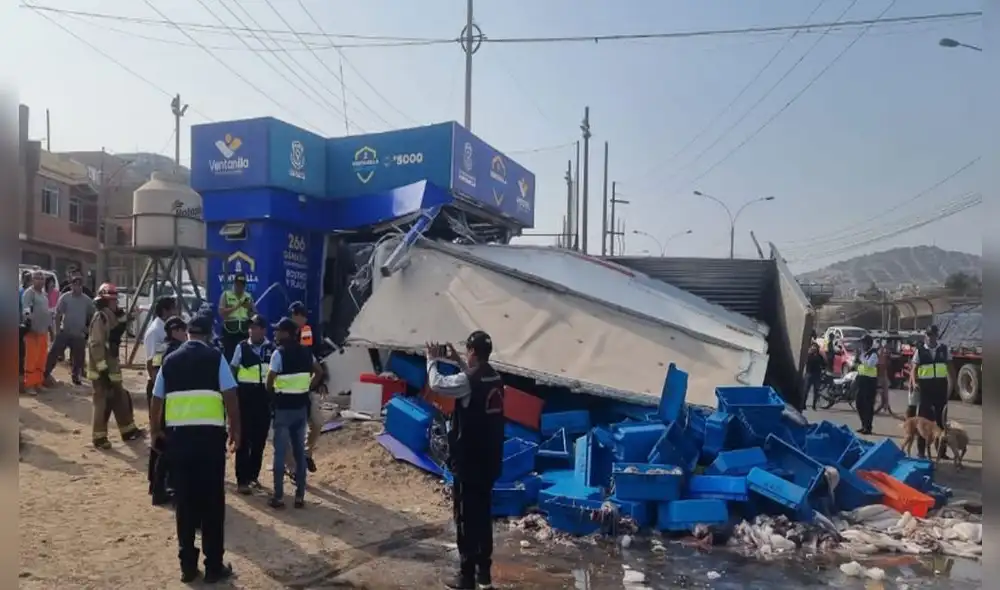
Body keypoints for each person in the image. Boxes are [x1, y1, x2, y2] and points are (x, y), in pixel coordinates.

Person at [149, 314, 240, 584]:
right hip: (210, 443)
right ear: (208, 335)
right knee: (212, 504)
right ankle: (214, 567)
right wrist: (236, 429)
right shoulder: (216, 358)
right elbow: (231, 396)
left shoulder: (170, 361)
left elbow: (156, 399)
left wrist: (155, 431)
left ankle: (187, 566)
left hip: (179, 443)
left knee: (185, 505)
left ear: (187, 334)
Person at [426, 331, 505, 590]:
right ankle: (484, 574)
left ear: (473, 351)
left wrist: (431, 360)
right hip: (490, 461)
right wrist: (457, 360)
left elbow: (438, 384)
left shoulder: (469, 380)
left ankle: (466, 577)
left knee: (465, 518)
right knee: (483, 517)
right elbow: (469, 379)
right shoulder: (495, 377)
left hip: (469, 461)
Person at [266, 317, 323, 509]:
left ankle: (279, 497)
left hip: (283, 409)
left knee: (280, 454)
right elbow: (319, 372)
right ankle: (299, 496)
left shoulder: (278, 354)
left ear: (287, 333)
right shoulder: (307, 353)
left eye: (278, 331)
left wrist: (275, 396)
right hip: (300, 408)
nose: (275, 334)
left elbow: (269, 382)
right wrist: (306, 387)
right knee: (299, 452)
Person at [86, 283, 143, 449]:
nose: (114, 303)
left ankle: (128, 430)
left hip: (112, 367)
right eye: (111, 300)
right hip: (101, 370)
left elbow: (119, 325)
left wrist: (131, 315)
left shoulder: (110, 315)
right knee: (102, 403)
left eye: (115, 300)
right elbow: (96, 344)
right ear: (104, 301)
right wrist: (102, 369)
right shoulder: (100, 317)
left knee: (120, 397)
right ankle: (99, 437)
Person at [230, 314, 275, 495]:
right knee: (243, 441)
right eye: (251, 327)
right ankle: (242, 481)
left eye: (256, 327)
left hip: (263, 401)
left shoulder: (272, 349)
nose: (252, 330)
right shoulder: (241, 347)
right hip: (245, 400)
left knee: (259, 441)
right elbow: (233, 370)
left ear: (263, 330)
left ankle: (253, 476)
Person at [149, 315, 188, 506]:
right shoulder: (176, 351)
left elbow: (152, 367)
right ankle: (165, 489)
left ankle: (155, 485)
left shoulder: (161, 347)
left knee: (157, 444)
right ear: (175, 331)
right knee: (169, 447)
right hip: (170, 401)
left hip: (157, 397)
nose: (186, 334)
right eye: (183, 330)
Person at [143, 297, 178, 503]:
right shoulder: (156, 331)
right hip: (158, 388)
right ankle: (155, 483)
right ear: (165, 310)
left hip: (162, 388)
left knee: (162, 436)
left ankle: (158, 482)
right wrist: (161, 390)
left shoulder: (163, 329)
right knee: (159, 435)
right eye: (173, 308)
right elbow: (151, 363)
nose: (176, 311)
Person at [285, 301, 321, 475]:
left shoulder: (306, 332)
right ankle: (292, 466)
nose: (301, 319)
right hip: (290, 389)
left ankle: (307, 454)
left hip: (306, 386)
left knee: (317, 422)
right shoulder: (285, 333)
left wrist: (313, 383)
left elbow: (308, 355)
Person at [909, 325, 953, 458]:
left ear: (936, 336)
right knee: (923, 422)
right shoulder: (920, 351)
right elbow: (914, 369)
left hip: (940, 390)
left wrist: (952, 387)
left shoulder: (944, 350)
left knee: (941, 422)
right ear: (925, 336)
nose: (930, 337)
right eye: (928, 335)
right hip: (925, 391)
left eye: (933, 335)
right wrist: (914, 382)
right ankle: (921, 451)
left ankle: (941, 452)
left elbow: (951, 369)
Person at [45, 275, 95, 386]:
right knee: (53, 353)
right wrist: (57, 330)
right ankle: (45, 374)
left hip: (79, 333)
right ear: (71, 285)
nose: (77, 287)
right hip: (65, 331)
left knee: (79, 358)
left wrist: (88, 329)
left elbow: (93, 315)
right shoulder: (65, 297)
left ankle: (76, 376)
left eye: (79, 285)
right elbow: (58, 314)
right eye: (75, 284)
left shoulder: (86, 300)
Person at [21, 270, 52, 395]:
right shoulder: (29, 293)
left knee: (41, 359)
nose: (40, 280)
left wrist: (50, 329)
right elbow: (26, 309)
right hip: (33, 332)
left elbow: (47, 312)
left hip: (43, 332)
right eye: (37, 278)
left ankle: (38, 383)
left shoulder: (44, 295)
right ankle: (29, 385)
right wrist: (29, 320)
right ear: (33, 280)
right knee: (31, 359)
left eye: (42, 278)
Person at [218, 274, 255, 361]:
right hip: (230, 330)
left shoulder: (248, 296)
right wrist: (236, 307)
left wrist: (249, 308)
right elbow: (221, 312)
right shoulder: (226, 295)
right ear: (234, 284)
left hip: (244, 330)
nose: (240, 287)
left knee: (243, 355)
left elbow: (254, 315)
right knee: (229, 355)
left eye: (242, 285)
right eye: (238, 285)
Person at [853, 334, 879, 435]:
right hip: (861, 380)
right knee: (859, 403)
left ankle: (868, 427)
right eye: (861, 343)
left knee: (868, 405)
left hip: (870, 382)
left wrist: (860, 357)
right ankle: (863, 424)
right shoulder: (862, 353)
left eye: (864, 343)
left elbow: (869, 364)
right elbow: (856, 365)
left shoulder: (873, 354)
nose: (862, 345)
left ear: (869, 344)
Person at [803, 342, 826, 411]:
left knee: (816, 391)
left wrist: (822, 367)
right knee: (806, 390)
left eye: (815, 347)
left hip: (817, 375)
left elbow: (824, 364)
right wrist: (810, 353)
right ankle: (803, 404)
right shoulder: (809, 355)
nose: (814, 348)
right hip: (809, 374)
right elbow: (807, 362)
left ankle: (814, 405)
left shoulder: (819, 356)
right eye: (813, 347)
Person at [19, 270, 31, 393]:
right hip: (20, 325)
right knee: (21, 350)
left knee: (23, 350)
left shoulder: (29, 292)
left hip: (24, 325)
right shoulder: (22, 292)